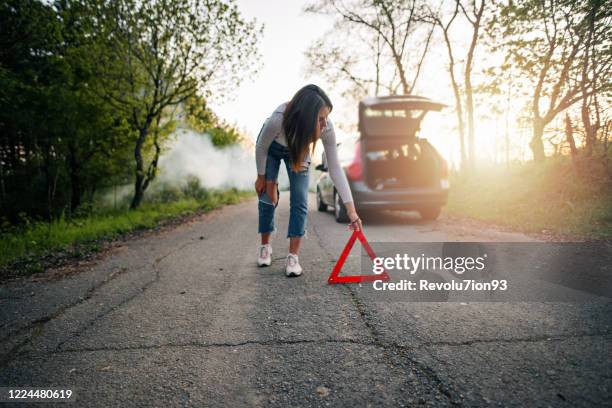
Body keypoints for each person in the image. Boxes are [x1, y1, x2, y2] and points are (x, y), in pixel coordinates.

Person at [254, 84, 362, 277]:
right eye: (320, 119)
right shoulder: (277, 120)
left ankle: (292, 257)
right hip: (271, 148)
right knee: (267, 199)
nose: (325, 124)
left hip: (299, 148)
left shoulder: (326, 129)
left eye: (327, 117)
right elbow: (261, 148)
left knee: (300, 201)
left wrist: (351, 210)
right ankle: (265, 246)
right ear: (305, 116)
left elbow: (335, 169)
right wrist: (261, 178)